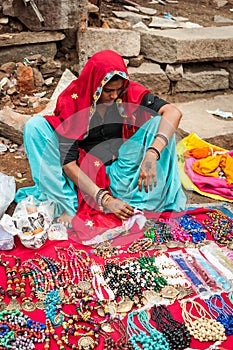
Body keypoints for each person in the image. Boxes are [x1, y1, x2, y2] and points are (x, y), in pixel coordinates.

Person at [15, 50, 186, 243]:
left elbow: (173, 112)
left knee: (160, 125)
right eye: (108, 91)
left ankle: (145, 197)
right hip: (84, 175)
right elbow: (69, 164)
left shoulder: (128, 92)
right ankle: (68, 204)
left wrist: (151, 155)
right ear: (95, 86)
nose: (114, 96)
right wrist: (105, 199)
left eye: (118, 90)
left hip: (120, 173)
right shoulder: (74, 100)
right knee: (35, 127)